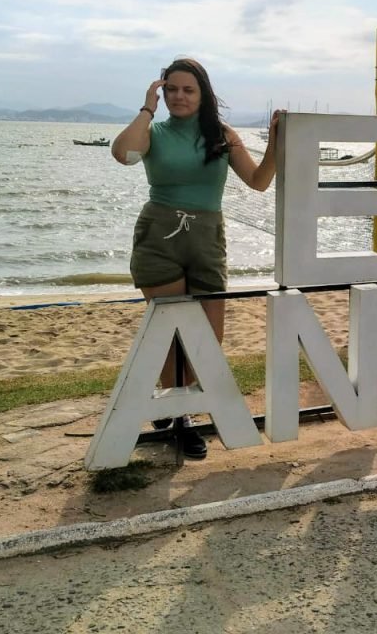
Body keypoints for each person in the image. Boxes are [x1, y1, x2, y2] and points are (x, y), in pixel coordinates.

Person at [111, 57, 280, 458]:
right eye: (171, 89)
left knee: (206, 338)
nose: (179, 97)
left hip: (206, 240)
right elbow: (123, 154)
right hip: (159, 238)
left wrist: (276, 142)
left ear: (203, 93)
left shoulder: (220, 135)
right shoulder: (154, 132)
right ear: (162, 91)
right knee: (169, 333)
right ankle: (181, 419)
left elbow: (259, 181)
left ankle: (176, 409)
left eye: (188, 90)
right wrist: (147, 107)